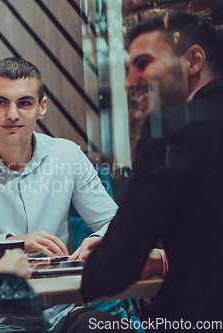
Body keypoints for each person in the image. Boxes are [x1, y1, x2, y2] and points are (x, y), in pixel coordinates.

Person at [0, 58, 128, 332]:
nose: (12, 114)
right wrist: (11, 243)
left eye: (24, 103)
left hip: (64, 310)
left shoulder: (67, 156)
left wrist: (98, 239)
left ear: (41, 107)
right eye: (0, 102)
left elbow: (116, 224)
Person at [81, 11, 223, 330]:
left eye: (142, 64)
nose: (129, 82)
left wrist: (99, 265)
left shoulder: (172, 128)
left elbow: (114, 267)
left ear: (194, 60)